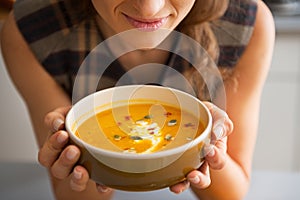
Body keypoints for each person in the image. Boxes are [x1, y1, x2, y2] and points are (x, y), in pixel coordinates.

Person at [0, 0, 274, 199]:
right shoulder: (30, 30)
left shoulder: (246, 23)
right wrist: (80, 152)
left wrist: (205, 144)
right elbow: (70, 193)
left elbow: (230, 195)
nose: (149, 8)